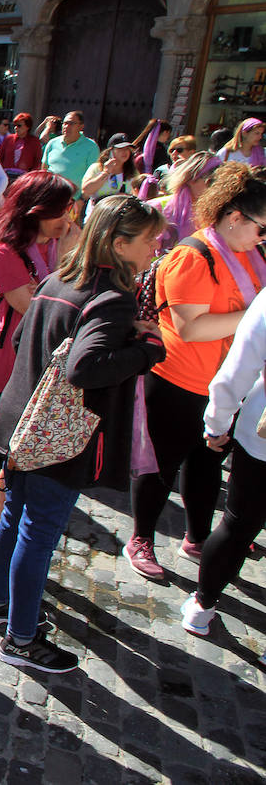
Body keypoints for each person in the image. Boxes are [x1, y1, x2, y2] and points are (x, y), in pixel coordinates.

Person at [0, 195, 166, 672]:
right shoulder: (112, 298)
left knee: (14, 518)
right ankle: (20, 641)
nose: (156, 248)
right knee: (37, 535)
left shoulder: (61, 277)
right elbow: (87, 368)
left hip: (21, 424)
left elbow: (23, 340)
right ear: (120, 244)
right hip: (58, 438)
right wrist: (147, 348)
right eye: (149, 240)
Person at [124, 162, 266, 579]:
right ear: (235, 218)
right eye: (261, 228)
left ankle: (198, 537)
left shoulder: (248, 254)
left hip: (223, 383)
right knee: (161, 465)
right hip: (177, 379)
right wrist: (255, 318)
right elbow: (190, 327)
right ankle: (141, 538)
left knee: (207, 464)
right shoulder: (194, 255)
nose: (263, 238)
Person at [0, 172, 76, 582]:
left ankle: (0, 539)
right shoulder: (3, 253)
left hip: (44, 379)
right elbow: (37, 307)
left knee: (20, 466)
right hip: (3, 377)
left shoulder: (57, 245)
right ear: (36, 211)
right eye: (61, 211)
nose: (67, 218)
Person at [182, 288, 266, 646]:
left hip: (260, 436)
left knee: (237, 522)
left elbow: (237, 370)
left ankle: (202, 606)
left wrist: (216, 424)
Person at [147, 151, 217, 252]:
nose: (215, 187)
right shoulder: (156, 207)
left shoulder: (218, 213)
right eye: (211, 181)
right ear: (192, 179)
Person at [40, 111, 100, 187]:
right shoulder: (52, 143)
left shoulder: (91, 147)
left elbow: (93, 175)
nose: (66, 126)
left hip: (74, 196)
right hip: (50, 192)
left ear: (81, 126)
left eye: (71, 123)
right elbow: (44, 169)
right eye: (65, 123)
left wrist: (81, 198)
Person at [80, 134, 137, 201]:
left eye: (127, 149)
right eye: (120, 148)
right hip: (98, 210)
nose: (124, 152)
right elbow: (86, 190)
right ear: (111, 151)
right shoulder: (97, 168)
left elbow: (138, 194)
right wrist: (105, 172)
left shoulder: (133, 172)